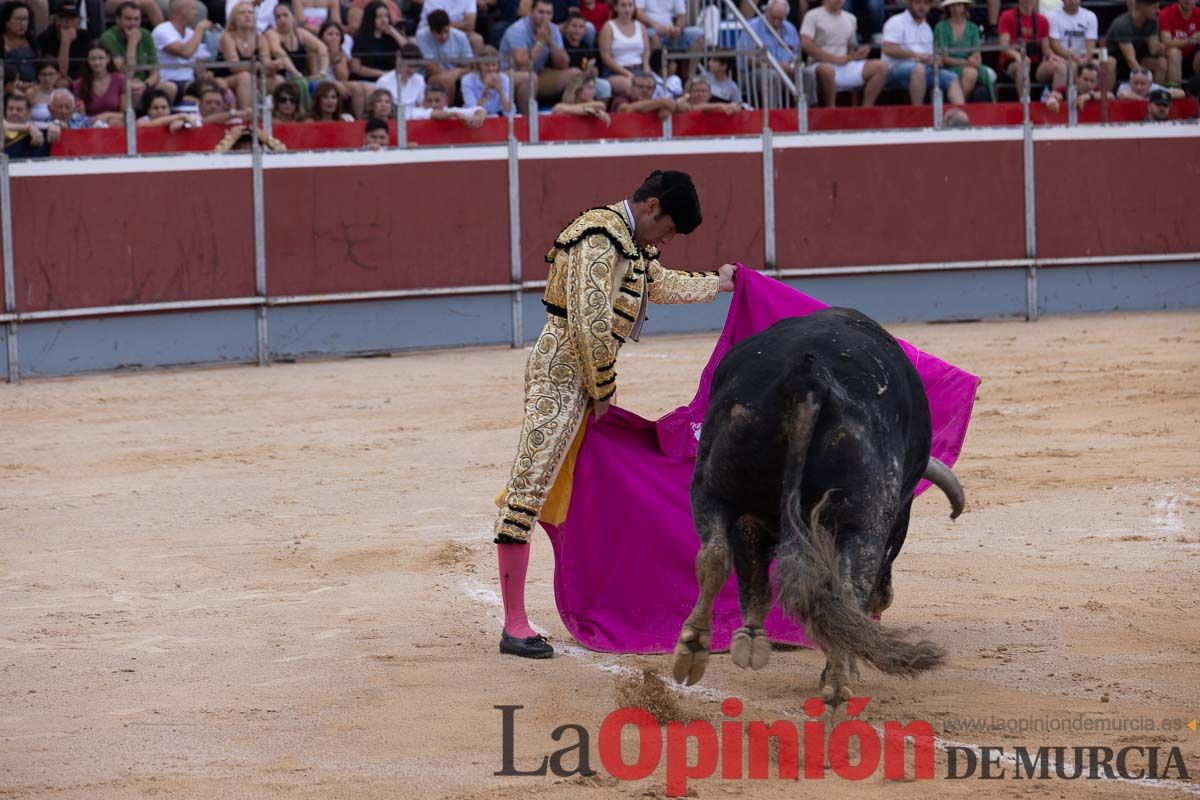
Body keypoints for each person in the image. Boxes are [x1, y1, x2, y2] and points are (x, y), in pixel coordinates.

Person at [492, 170, 737, 659]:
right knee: (530, 486)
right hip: (560, 375)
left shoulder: (630, 241)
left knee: (592, 485)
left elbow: (658, 283)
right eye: (668, 229)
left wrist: (718, 284)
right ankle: (514, 624)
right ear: (650, 206)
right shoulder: (600, 236)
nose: (667, 239)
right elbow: (588, 322)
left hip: (583, 375)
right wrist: (603, 388)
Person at [801, 0, 887, 107]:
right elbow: (806, 45)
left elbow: (850, 48)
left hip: (843, 64)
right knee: (827, 69)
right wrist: (834, 59)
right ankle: (831, 109)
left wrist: (857, 55)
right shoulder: (812, 15)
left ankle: (866, 109)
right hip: (819, 64)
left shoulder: (851, 18)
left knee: (880, 67)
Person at [882, 0, 964, 104]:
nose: (922, 7)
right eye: (918, 2)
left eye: (926, 3)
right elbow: (888, 49)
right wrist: (915, 55)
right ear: (910, 4)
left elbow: (928, 55)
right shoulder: (896, 21)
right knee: (918, 70)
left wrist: (934, 60)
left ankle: (962, 115)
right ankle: (918, 112)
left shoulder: (927, 28)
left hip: (923, 68)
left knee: (952, 78)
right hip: (894, 69)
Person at [500, 0, 579, 109]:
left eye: (548, 13)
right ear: (532, 12)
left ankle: (566, 114)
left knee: (575, 74)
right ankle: (527, 121)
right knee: (529, 78)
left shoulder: (553, 29)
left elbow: (563, 65)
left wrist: (550, 42)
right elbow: (524, 66)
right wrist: (540, 42)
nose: (544, 17)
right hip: (509, 75)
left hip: (537, 74)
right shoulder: (517, 30)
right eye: (541, 12)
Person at [997, 0, 1066, 98]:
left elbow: (1046, 50)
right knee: (1024, 64)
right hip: (1012, 62)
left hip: (1035, 64)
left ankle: (1054, 101)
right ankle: (1026, 103)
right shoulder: (1007, 16)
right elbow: (1004, 46)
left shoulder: (1042, 20)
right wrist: (1018, 56)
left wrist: (1052, 56)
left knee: (1061, 67)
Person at [100, 2, 164, 105]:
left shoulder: (146, 35)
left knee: (169, 87)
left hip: (143, 83)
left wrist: (145, 85)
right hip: (118, 83)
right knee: (133, 88)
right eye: (128, 19)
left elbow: (155, 73)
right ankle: (130, 120)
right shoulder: (108, 38)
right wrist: (132, 43)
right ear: (118, 20)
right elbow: (127, 73)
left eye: (136, 19)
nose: (133, 23)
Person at [934, 0, 993, 101]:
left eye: (959, 5)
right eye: (952, 5)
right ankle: (961, 107)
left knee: (973, 72)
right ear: (948, 8)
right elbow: (943, 57)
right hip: (948, 67)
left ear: (965, 7)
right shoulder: (941, 27)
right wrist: (966, 62)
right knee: (971, 73)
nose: (956, 8)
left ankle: (959, 107)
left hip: (970, 66)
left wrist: (974, 60)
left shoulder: (973, 28)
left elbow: (977, 56)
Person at [153, 0, 213, 99]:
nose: (196, 13)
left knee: (214, 86)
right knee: (170, 88)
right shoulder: (162, 30)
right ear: (182, 11)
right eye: (193, 9)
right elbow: (185, 52)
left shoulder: (191, 34)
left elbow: (199, 65)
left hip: (189, 81)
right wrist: (199, 29)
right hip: (167, 80)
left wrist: (205, 76)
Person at [213, 2, 261, 111]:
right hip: (226, 78)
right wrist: (258, 66)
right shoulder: (227, 37)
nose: (247, 15)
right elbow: (234, 67)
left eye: (250, 12)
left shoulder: (260, 37)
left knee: (276, 80)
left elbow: (266, 61)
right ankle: (247, 115)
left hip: (253, 76)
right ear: (234, 18)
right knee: (244, 76)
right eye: (242, 13)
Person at [1107, 0, 1166, 84]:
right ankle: (1109, 95)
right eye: (1154, 7)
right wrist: (1145, 78)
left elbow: (1153, 50)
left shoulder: (1153, 21)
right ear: (1142, 7)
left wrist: (1161, 47)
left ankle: (1155, 92)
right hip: (1118, 61)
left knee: (1161, 63)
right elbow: (1130, 59)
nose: (1158, 11)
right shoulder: (1122, 24)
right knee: (1110, 62)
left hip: (1139, 59)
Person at [351, 0, 412, 81]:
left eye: (386, 16)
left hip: (390, 80)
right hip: (367, 80)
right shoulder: (361, 38)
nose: (384, 20)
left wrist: (393, 33)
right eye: (379, 17)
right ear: (371, 18)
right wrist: (384, 73)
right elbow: (356, 68)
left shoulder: (392, 37)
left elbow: (410, 51)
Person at [417, 9, 473, 95]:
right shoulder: (422, 36)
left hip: (456, 75)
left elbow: (469, 67)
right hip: (431, 76)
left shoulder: (461, 37)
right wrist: (450, 75)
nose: (444, 36)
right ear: (431, 31)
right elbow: (431, 68)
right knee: (446, 80)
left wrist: (458, 71)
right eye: (439, 33)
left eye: (446, 31)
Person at [599, 0, 649, 97]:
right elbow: (605, 57)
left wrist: (646, 69)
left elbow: (646, 51)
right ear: (616, 7)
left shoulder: (640, 26)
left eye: (630, 5)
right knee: (634, 86)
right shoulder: (608, 27)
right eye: (623, 5)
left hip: (639, 69)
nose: (627, 9)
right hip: (616, 72)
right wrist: (627, 73)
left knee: (655, 85)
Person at [319, 20, 368, 116]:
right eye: (330, 34)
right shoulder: (315, 52)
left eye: (337, 35)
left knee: (357, 88)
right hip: (321, 82)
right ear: (322, 37)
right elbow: (316, 75)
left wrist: (336, 55)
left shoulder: (342, 54)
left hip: (339, 82)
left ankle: (359, 120)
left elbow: (343, 78)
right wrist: (334, 83)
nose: (334, 38)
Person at [37, 0, 94, 80]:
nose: (68, 21)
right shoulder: (45, 38)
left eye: (72, 17)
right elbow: (60, 72)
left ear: (79, 20)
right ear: (56, 19)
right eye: (63, 17)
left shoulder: (86, 37)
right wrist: (65, 42)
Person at [73, 42, 126, 124]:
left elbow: (126, 114)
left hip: (115, 126)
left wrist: (106, 115)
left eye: (101, 58)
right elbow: (78, 116)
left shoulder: (120, 80)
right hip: (90, 127)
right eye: (93, 59)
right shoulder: (78, 84)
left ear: (108, 59)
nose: (97, 62)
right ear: (87, 60)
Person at [373, 42, 426, 114]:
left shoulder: (420, 80)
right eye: (409, 66)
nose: (412, 70)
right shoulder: (384, 81)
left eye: (416, 67)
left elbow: (421, 106)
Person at [460, 44, 514, 114]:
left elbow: (508, 110)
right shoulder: (467, 80)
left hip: (498, 117)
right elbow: (472, 109)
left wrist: (500, 90)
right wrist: (486, 89)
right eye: (487, 65)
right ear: (479, 65)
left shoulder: (504, 79)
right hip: (475, 118)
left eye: (494, 65)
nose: (491, 69)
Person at [1042, 60, 1114, 110]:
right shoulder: (1068, 89)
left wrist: (1086, 96)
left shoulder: (1097, 91)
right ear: (1077, 78)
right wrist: (1052, 99)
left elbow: (1110, 95)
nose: (1088, 84)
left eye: (1092, 81)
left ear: (1096, 82)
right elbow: (1056, 94)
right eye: (1085, 79)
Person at [1159, 0, 1200, 84]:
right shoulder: (1166, 13)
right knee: (1174, 52)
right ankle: (1176, 91)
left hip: (1193, 58)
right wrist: (1190, 40)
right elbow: (1166, 42)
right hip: (1172, 58)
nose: (1188, 0)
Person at [1, 2, 39, 86]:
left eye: (25, 19)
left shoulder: (32, 40)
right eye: (18, 19)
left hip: (35, 86)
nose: (23, 23)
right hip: (8, 87)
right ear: (6, 22)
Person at [609, 68, 674, 115]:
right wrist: (661, 103)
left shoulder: (655, 102)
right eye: (640, 87)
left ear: (654, 90)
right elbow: (625, 110)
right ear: (632, 88)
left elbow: (676, 105)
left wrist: (666, 108)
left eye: (649, 88)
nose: (644, 90)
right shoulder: (620, 99)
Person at [4, 92, 50, 156]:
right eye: (10, 109)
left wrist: (56, 124)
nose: (14, 112)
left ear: (29, 113)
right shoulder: (3, 125)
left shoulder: (37, 128)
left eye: (19, 110)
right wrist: (29, 128)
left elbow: (56, 125)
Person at [675, 74, 741, 112]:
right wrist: (724, 106)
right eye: (696, 91)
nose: (700, 94)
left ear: (710, 94)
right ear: (690, 93)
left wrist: (734, 107)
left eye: (704, 91)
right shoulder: (683, 104)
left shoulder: (717, 107)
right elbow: (694, 108)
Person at [25, 58, 60, 123]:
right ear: (38, 76)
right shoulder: (31, 93)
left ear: (57, 75)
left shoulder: (61, 94)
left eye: (51, 74)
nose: (47, 78)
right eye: (43, 74)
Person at [1116, 64, 1184, 95]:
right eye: (1135, 83)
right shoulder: (1123, 87)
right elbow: (1123, 95)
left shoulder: (1155, 88)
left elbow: (1181, 93)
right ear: (1130, 83)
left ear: (1150, 84)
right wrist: (1150, 99)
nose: (1139, 87)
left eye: (1142, 84)